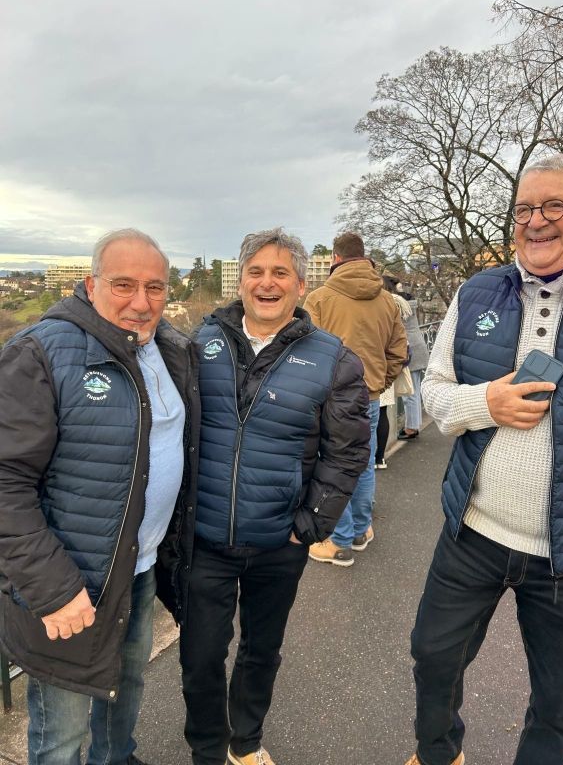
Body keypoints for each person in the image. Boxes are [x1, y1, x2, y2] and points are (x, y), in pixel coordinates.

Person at [404, 154, 563, 765]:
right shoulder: (477, 292)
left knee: (558, 705)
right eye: (523, 210)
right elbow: (435, 393)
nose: (535, 221)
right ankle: (439, 754)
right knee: (433, 657)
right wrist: (484, 402)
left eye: (554, 205)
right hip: (473, 531)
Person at [0, 229, 200, 765]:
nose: (141, 302)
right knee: (61, 731)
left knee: (125, 687)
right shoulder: (40, 352)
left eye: (155, 287)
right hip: (72, 584)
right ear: (91, 286)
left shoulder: (168, 348)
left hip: (141, 567)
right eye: (123, 285)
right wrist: (53, 590)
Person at [179, 229, 370, 765]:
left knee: (261, 651)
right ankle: (206, 751)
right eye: (256, 272)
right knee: (200, 657)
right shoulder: (197, 345)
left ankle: (245, 741)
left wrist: (312, 523)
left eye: (281, 273)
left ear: (301, 285)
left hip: (279, 541)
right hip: (206, 539)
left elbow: (348, 450)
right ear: (240, 281)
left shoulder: (334, 359)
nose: (267, 283)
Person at [303, 232, 407, 565]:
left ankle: (339, 540)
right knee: (362, 464)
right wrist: (377, 383)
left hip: (330, 399)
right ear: (365, 258)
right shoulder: (387, 301)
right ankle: (361, 530)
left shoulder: (319, 299)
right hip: (369, 396)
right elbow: (398, 352)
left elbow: (306, 353)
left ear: (335, 258)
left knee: (331, 466)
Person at [375, 276, 413, 468]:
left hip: (373, 363)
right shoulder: (397, 304)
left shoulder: (379, 305)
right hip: (387, 364)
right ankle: (380, 457)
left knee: (368, 414)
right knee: (382, 413)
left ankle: (370, 457)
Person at [396, 284, 429, 441]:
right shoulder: (410, 304)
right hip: (417, 347)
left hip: (409, 350)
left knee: (409, 393)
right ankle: (414, 424)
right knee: (413, 390)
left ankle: (411, 428)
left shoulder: (399, 306)